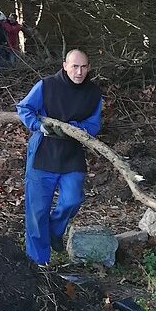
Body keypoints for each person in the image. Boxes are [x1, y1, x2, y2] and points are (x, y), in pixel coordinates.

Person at [16, 49, 102, 265]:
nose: (79, 72)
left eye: (84, 67)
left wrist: (76, 128)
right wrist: (39, 126)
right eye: (75, 66)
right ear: (65, 65)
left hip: (71, 154)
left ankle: (54, 231)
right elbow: (24, 108)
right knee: (37, 212)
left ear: (89, 67)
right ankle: (39, 264)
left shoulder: (93, 93)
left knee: (72, 200)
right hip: (43, 152)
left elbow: (94, 123)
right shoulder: (47, 85)